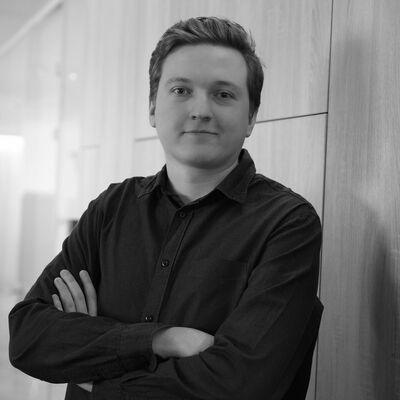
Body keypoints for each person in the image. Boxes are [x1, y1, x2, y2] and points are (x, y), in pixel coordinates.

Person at [9, 16, 323, 400]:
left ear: (251, 118)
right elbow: (27, 336)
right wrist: (161, 340)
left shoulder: (287, 224)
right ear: (153, 108)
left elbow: (239, 384)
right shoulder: (112, 208)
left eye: (224, 94)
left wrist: (94, 370)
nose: (200, 110)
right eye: (180, 90)